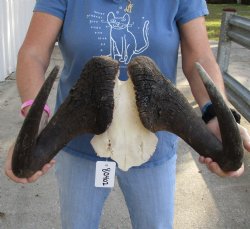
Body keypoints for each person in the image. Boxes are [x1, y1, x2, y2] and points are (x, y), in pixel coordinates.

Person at [5, 0, 250, 228]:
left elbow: (200, 57)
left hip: (153, 147)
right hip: (78, 142)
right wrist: (35, 116)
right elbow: (34, 53)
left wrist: (216, 115)